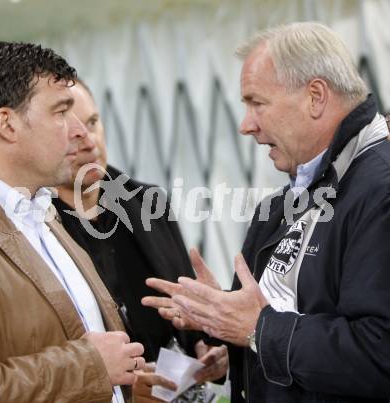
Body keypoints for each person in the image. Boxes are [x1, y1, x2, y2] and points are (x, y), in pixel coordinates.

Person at [142, 21, 390, 403]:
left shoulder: (379, 190)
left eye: (257, 103)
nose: (246, 125)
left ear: (316, 97)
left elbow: (380, 353)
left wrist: (256, 328)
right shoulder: (280, 205)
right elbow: (292, 315)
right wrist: (220, 315)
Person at [0, 41, 146, 403]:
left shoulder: (39, 208)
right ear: (7, 124)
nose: (80, 132)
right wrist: (88, 367)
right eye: (61, 112)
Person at [53, 79, 228, 402]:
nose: (89, 140)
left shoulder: (148, 201)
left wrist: (210, 346)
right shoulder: (39, 227)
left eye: (93, 122)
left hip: (183, 392)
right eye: (71, 133)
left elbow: (183, 300)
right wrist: (124, 391)